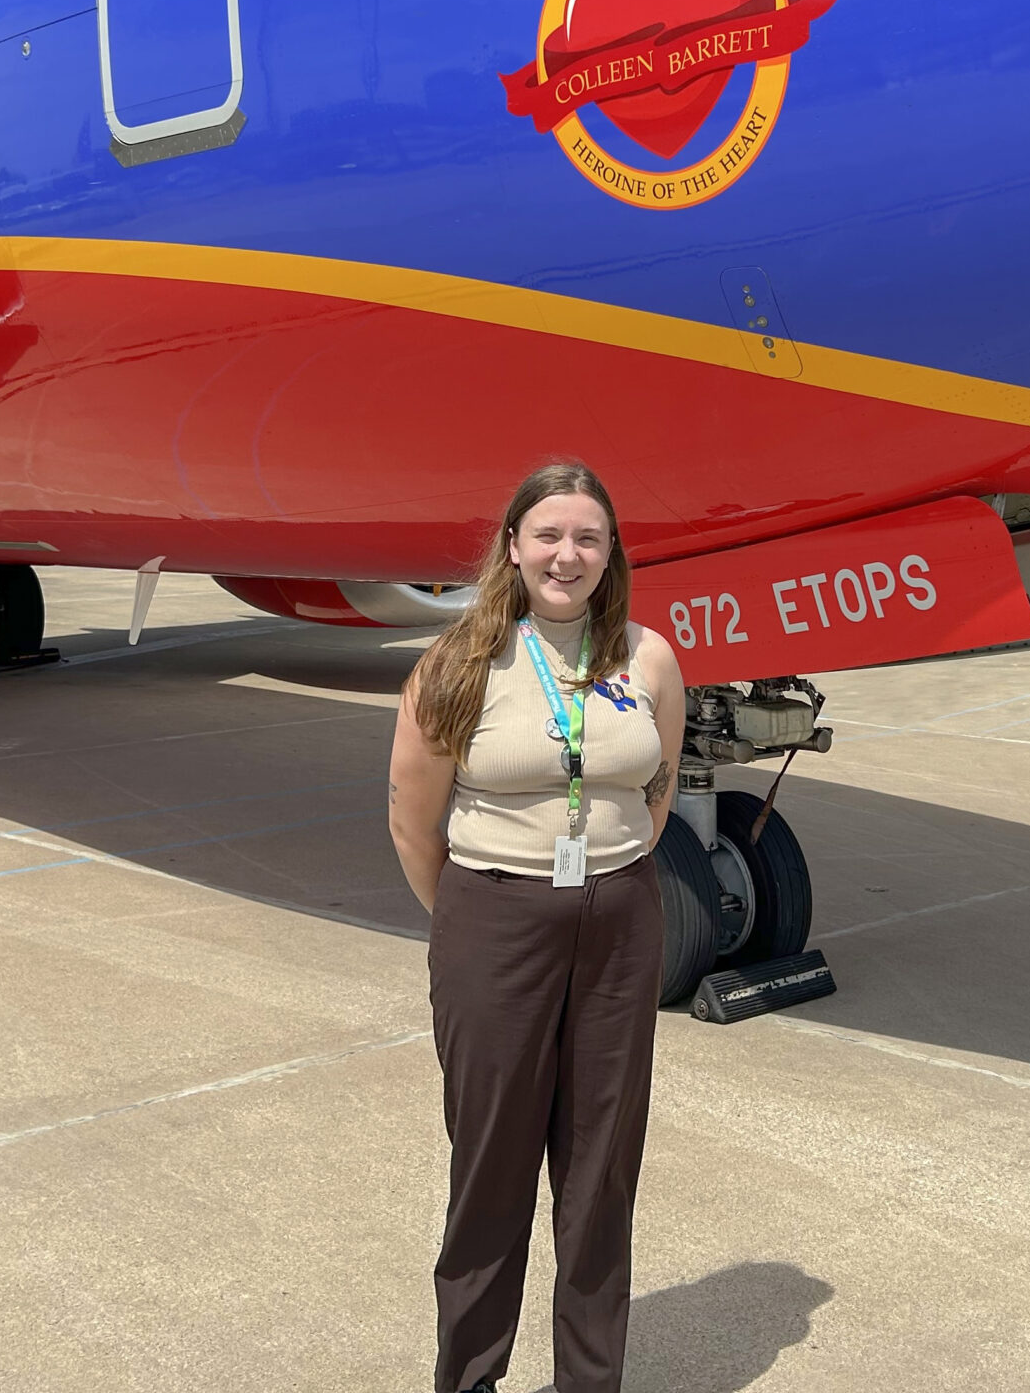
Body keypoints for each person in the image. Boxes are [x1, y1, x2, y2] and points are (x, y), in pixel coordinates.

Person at [388, 460, 687, 1393]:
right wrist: (484, 919)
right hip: (493, 922)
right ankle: (469, 1378)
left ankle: (589, 1381)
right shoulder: (459, 665)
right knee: (492, 1171)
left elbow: (659, 784)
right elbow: (412, 818)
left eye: (588, 537)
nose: (568, 554)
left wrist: (602, 879)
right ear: (513, 546)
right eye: (549, 535)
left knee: (602, 1174)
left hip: (621, 922)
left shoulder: (648, 657)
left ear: (610, 553)